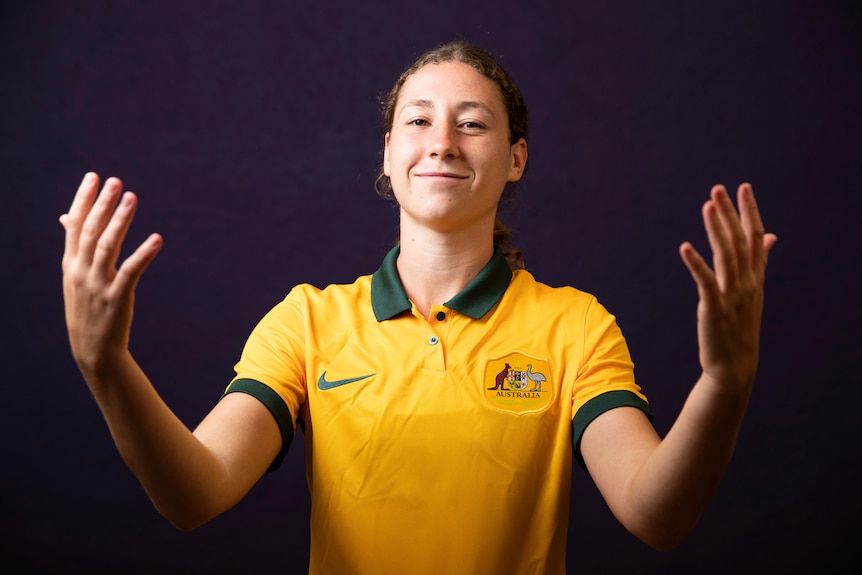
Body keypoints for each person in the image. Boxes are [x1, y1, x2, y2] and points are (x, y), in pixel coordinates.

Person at [59, 40, 777, 574]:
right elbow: (196, 493)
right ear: (387, 151)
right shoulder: (308, 322)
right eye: (418, 121)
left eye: (472, 124)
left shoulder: (575, 326)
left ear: (516, 158)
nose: (441, 143)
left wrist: (724, 384)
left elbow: (656, 514)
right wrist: (107, 365)